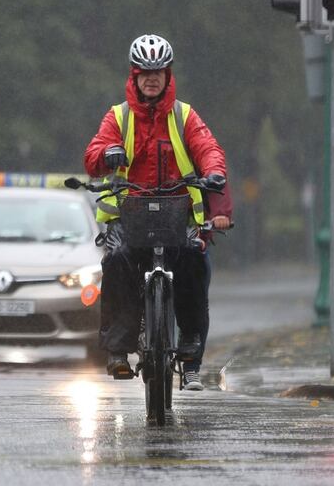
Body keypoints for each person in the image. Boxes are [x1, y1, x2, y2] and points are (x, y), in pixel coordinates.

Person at [83, 34, 230, 391]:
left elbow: (209, 149)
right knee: (117, 262)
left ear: (168, 75)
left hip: (177, 215)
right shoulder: (118, 116)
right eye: (144, 72)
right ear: (134, 77)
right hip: (130, 216)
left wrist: (214, 174)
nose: (151, 78)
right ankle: (118, 352)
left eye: (158, 72)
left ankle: (191, 358)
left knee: (196, 263)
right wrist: (109, 154)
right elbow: (93, 157)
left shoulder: (185, 116)